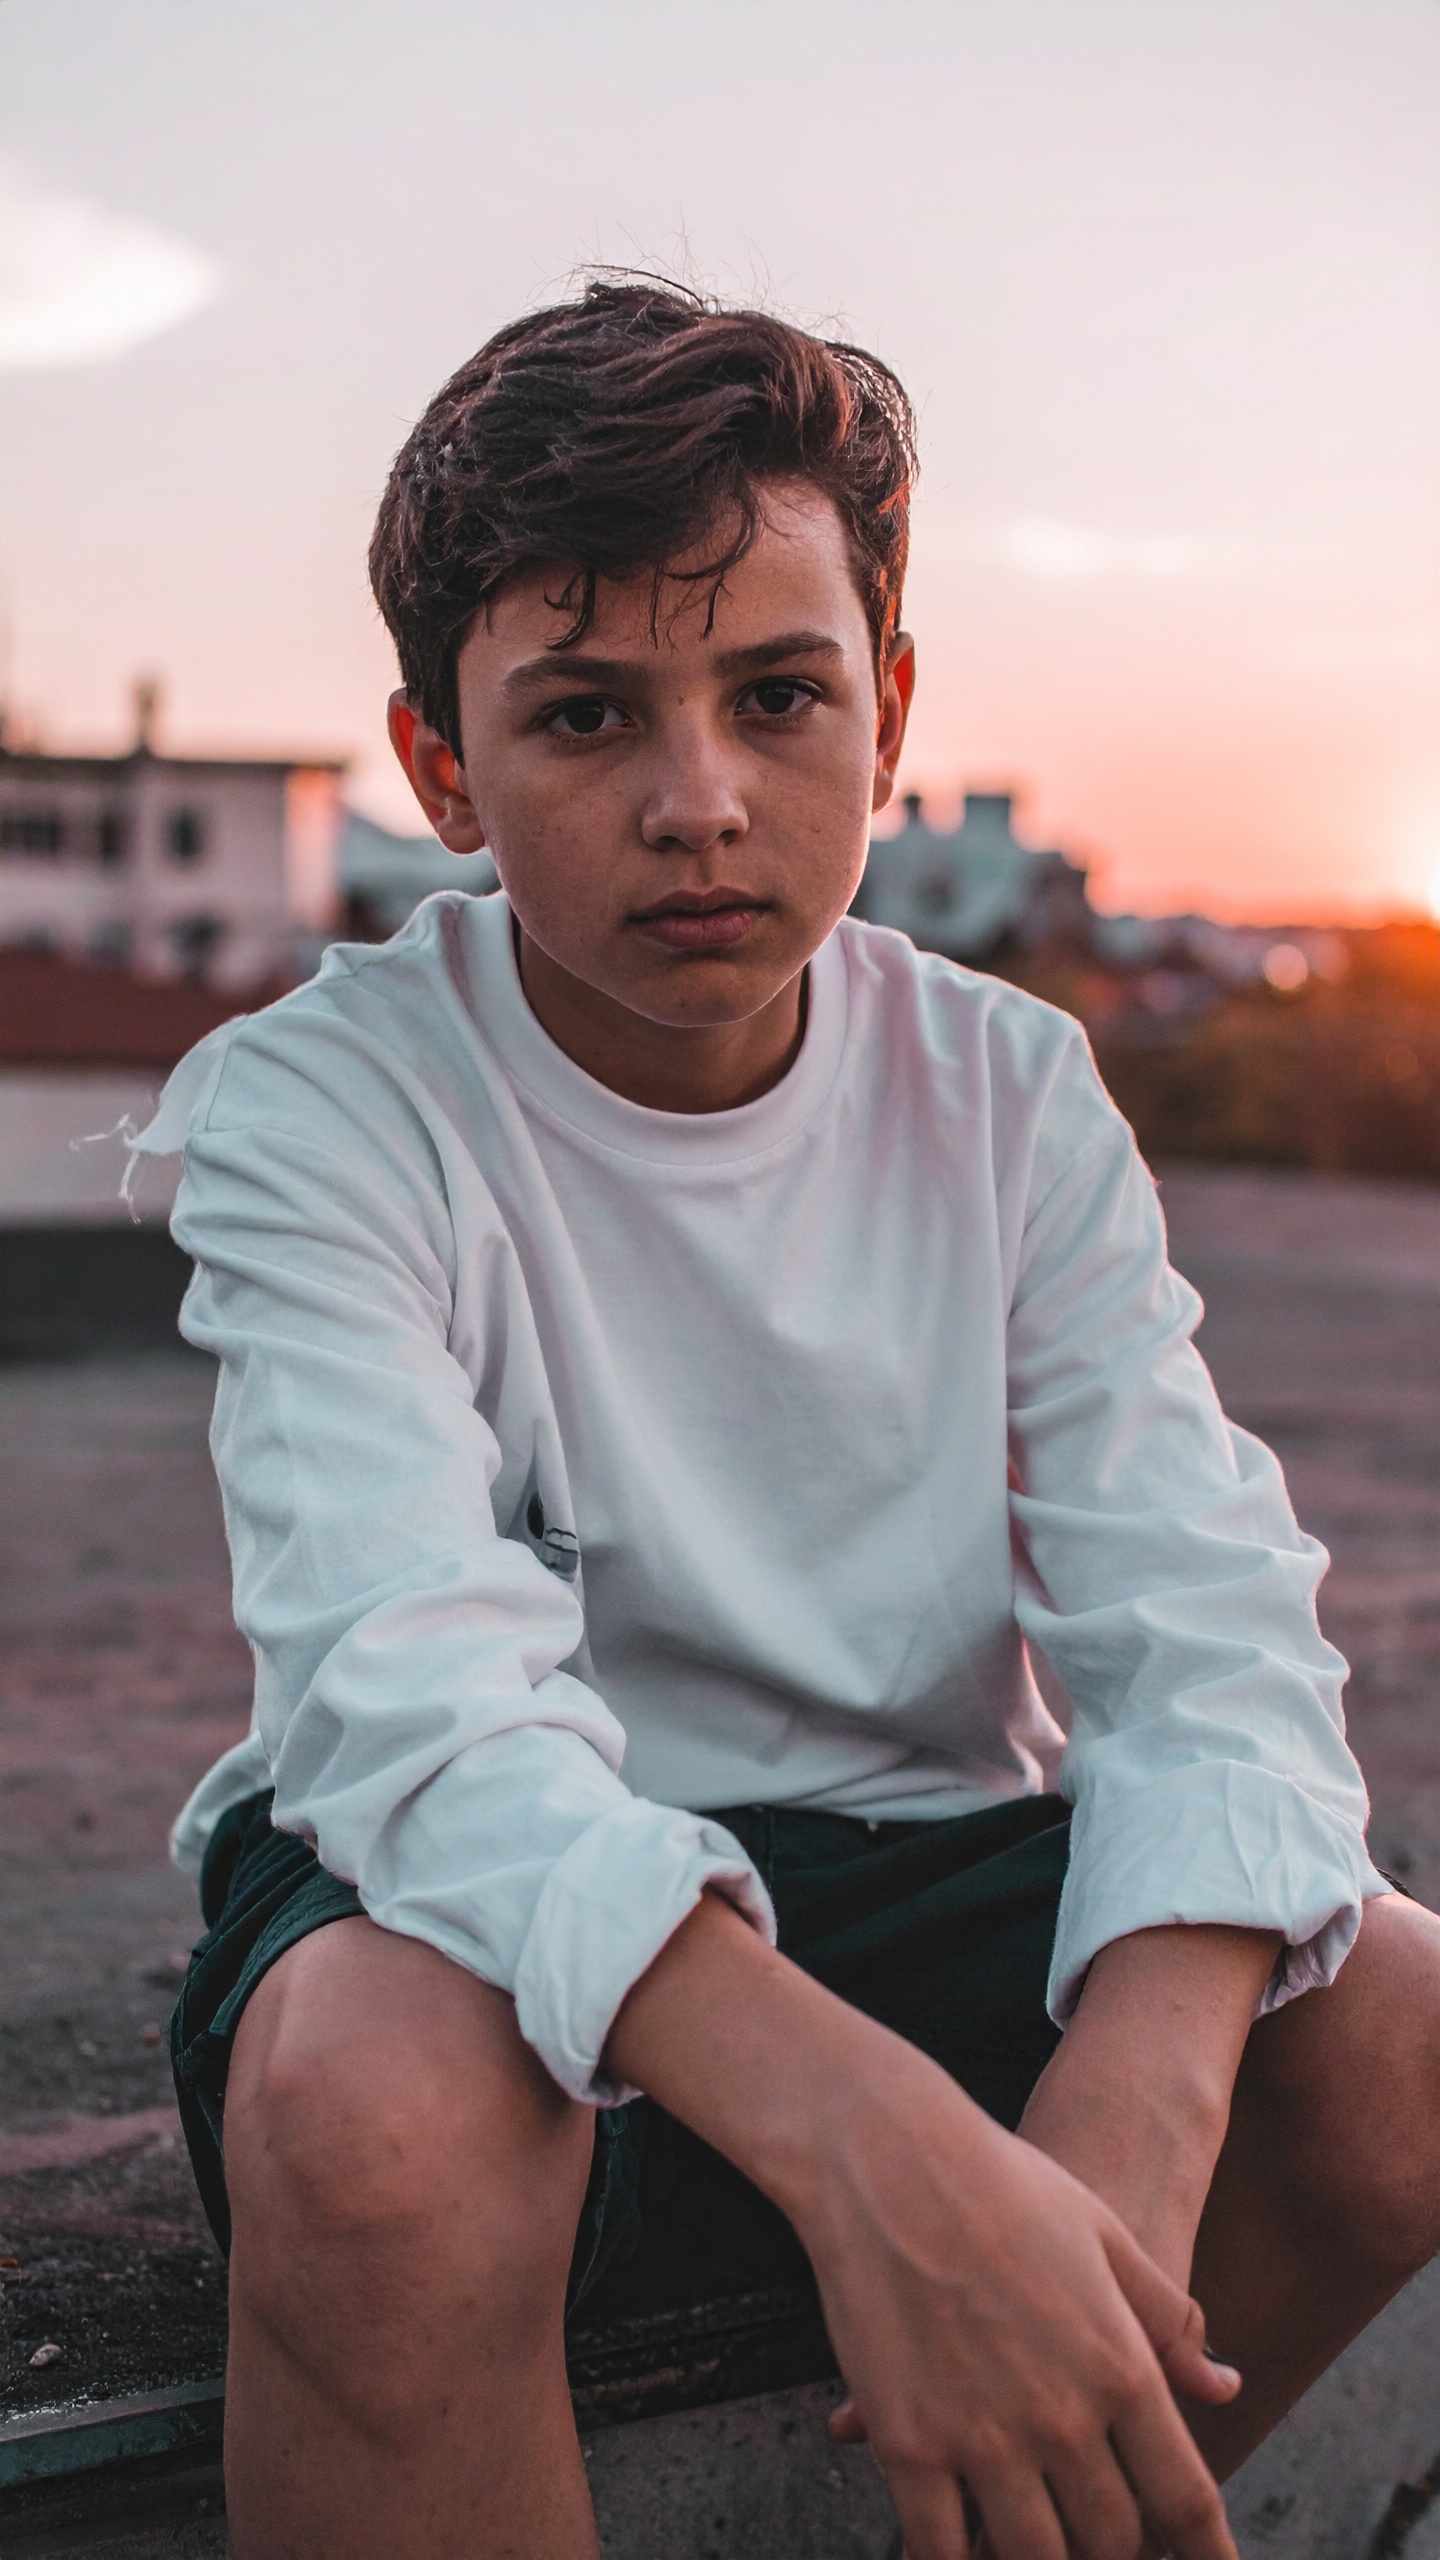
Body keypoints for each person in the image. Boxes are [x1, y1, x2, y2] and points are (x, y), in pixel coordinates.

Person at [143, 280, 1439, 2560]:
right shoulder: (322, 1106)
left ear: (890, 707)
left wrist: (1127, 2129)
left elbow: (1208, 1628)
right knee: (375, 2108)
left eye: (777, 694)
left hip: (910, 1867)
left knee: (1400, 2023)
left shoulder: (1008, 1088)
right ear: (441, 769)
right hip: (454, 1897)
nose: (701, 803)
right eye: (584, 715)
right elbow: (412, 1705)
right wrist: (887, 2148)